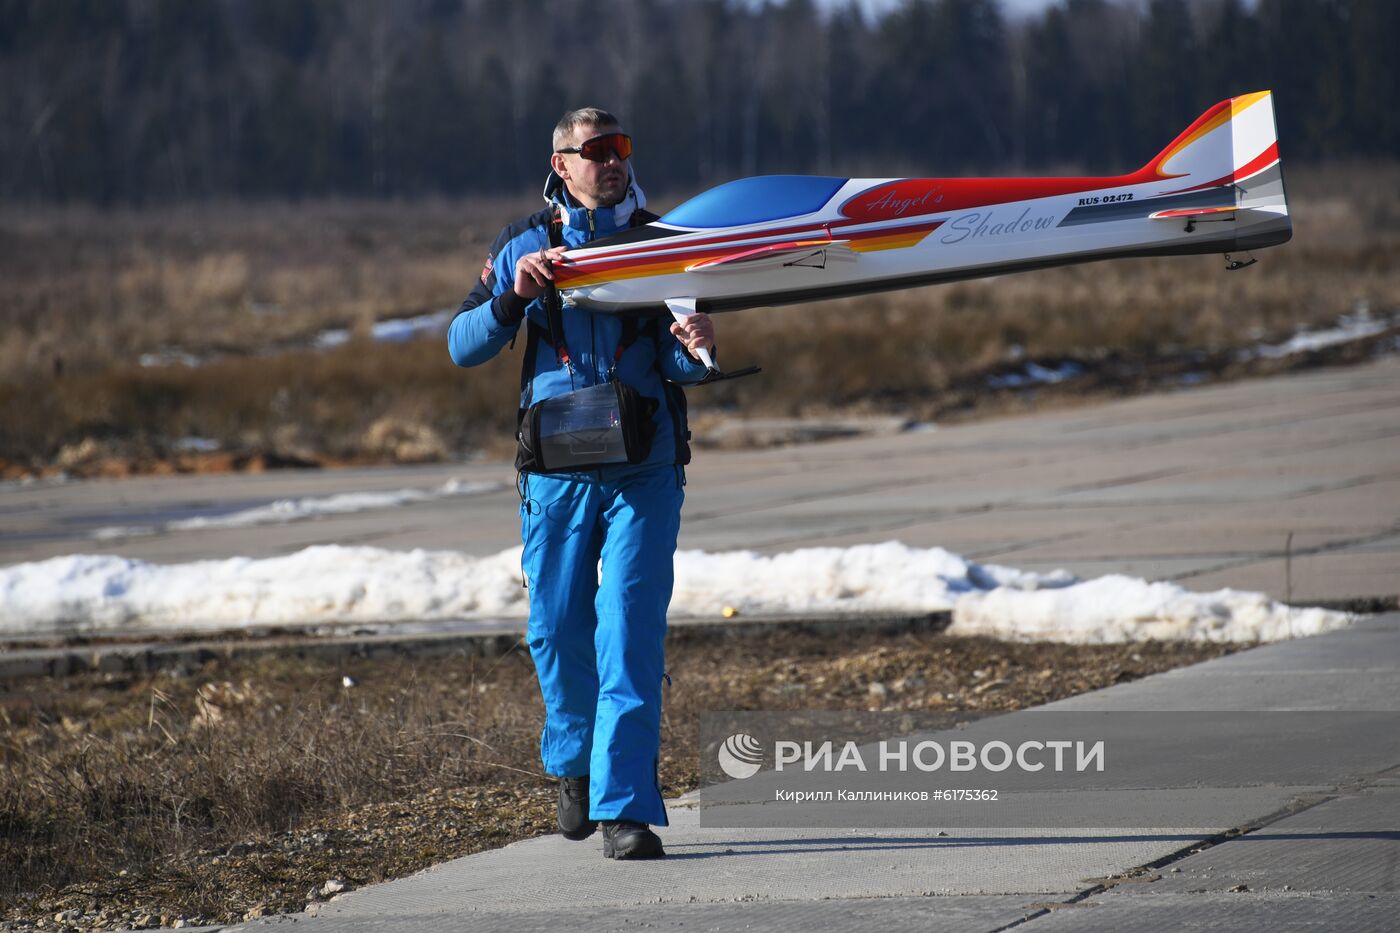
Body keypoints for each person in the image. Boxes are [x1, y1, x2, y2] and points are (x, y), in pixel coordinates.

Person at [448, 108, 715, 860]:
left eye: (621, 148)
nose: (612, 162)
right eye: (594, 151)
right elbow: (462, 345)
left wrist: (698, 348)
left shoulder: (667, 245)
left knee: (628, 630)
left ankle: (623, 805)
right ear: (561, 163)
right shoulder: (522, 243)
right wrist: (512, 300)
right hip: (556, 470)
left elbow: (683, 361)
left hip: (646, 465)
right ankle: (572, 759)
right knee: (557, 628)